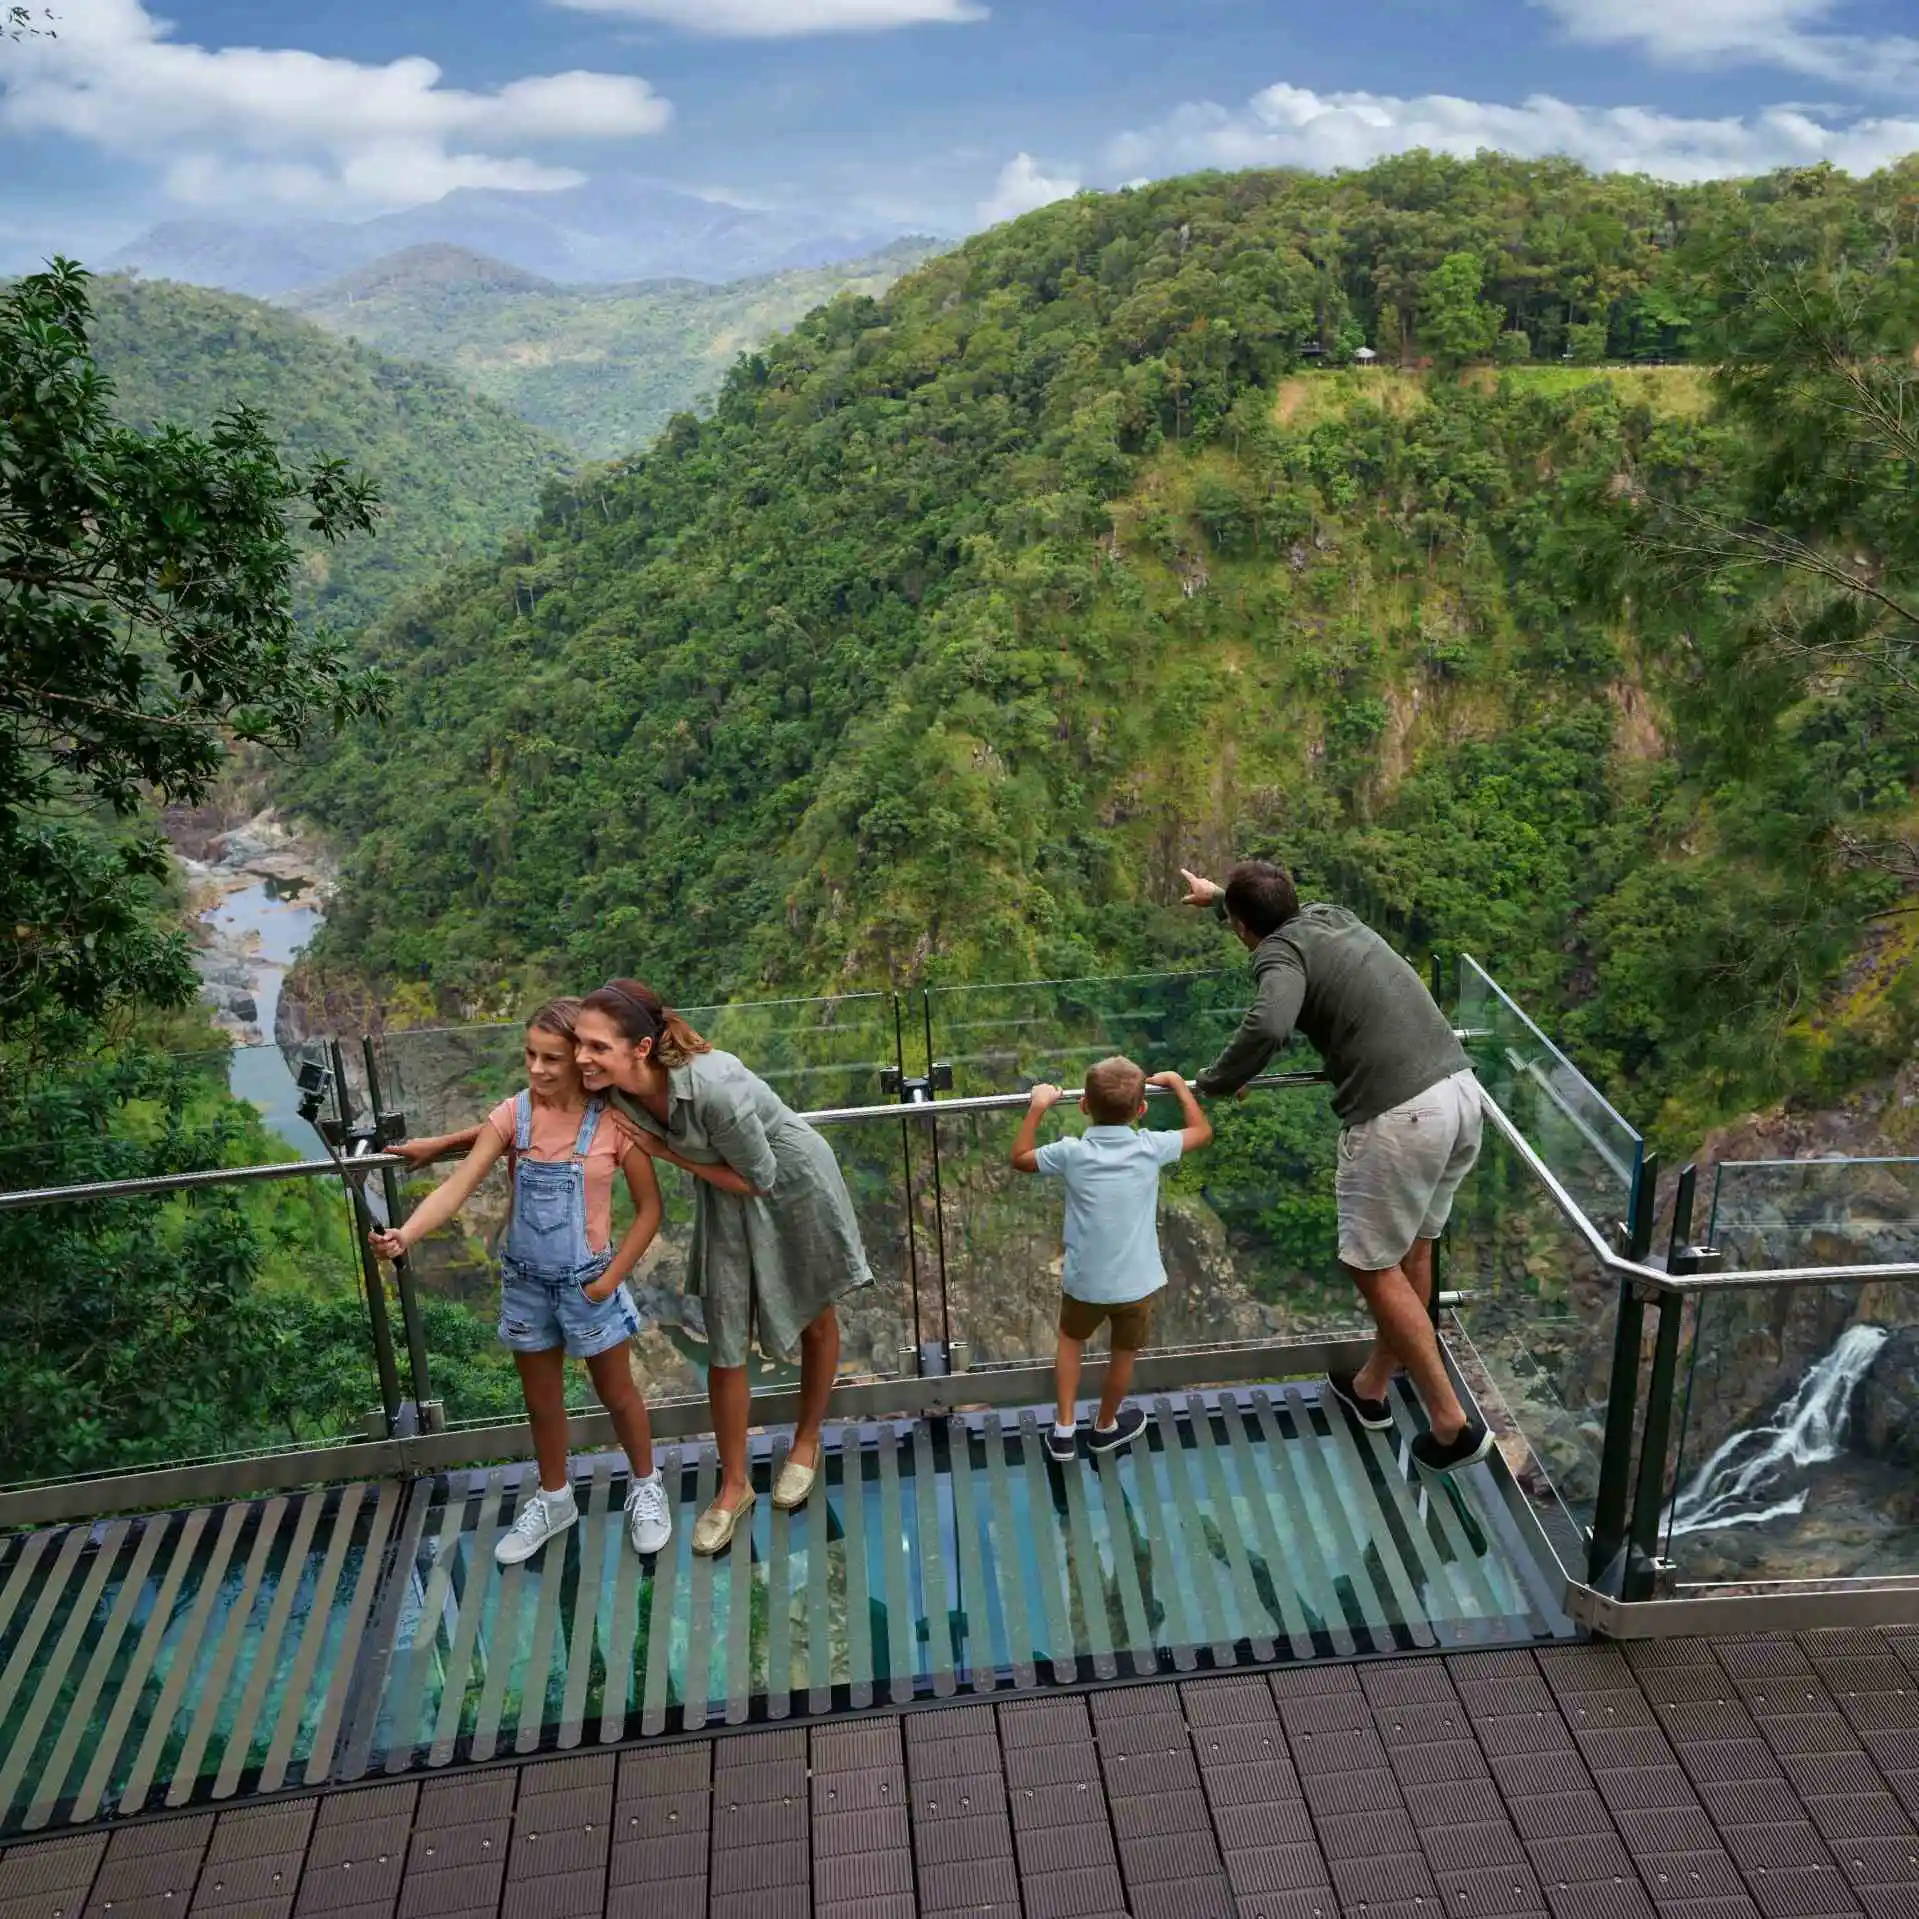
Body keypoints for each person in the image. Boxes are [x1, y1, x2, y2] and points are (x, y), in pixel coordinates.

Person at [1180, 859, 1492, 1475]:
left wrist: (1218, 1081)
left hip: (1399, 1116)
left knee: (1368, 1265)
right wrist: (1221, 898)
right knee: (1415, 1250)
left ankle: (1450, 1421)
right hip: (1458, 1092)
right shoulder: (1331, 917)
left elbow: (1270, 1023)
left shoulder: (1276, 955)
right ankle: (1373, 1385)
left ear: (1245, 930)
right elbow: (1270, 918)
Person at [572, 978, 872, 1556]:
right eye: (580, 1045)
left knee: (814, 1314)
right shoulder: (613, 1089)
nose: (583, 1058)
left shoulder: (714, 1089)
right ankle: (735, 1486)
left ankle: (806, 1442)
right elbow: (531, 1105)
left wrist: (667, 1153)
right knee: (725, 1337)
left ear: (639, 1047)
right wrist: (440, 1146)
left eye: (596, 1047)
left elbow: (760, 1178)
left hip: (789, 1183)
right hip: (725, 1198)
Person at [369, 999, 674, 1563]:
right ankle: (555, 1499)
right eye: (530, 1055)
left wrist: (609, 1282)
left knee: (618, 1393)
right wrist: (405, 1235)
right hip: (527, 1286)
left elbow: (651, 1208)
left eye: (551, 1058)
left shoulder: (613, 1121)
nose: (536, 1068)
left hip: (589, 1283)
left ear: (580, 1058)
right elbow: (459, 1185)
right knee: (541, 1402)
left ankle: (645, 1484)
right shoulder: (515, 1116)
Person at [1010, 1056, 1212, 1462]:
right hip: (1135, 1283)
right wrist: (1177, 1084)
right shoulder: (1151, 1146)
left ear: (1083, 1105)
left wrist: (1037, 1107)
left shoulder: (1070, 1153)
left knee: (1071, 1341)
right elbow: (1201, 1132)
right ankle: (1105, 1426)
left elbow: (1020, 1157)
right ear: (1142, 1110)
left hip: (1085, 1278)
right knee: (1123, 1353)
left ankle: (1064, 1430)